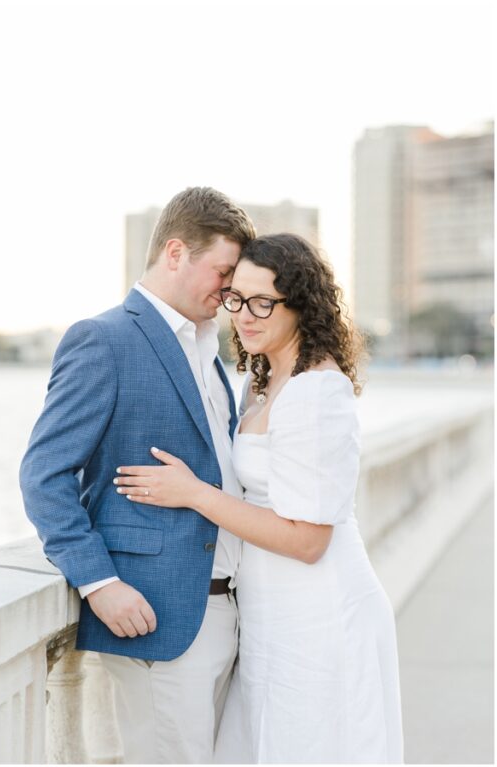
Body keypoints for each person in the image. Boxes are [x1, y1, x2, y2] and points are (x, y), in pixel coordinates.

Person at [114, 233, 403, 763]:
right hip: (270, 609)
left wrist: (194, 494)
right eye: (236, 298)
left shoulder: (316, 392)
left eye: (264, 302)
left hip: (319, 610)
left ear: (302, 304)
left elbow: (310, 539)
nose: (245, 316)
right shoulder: (262, 381)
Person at [20, 187, 257, 763]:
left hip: (231, 610)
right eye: (222, 272)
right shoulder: (103, 339)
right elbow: (43, 473)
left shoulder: (209, 349)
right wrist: (99, 583)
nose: (230, 293)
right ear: (175, 253)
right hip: (156, 617)